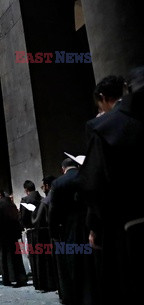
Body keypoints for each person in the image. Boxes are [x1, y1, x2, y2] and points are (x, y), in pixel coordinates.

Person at [78, 66, 144, 304]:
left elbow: (95, 183)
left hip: (127, 226)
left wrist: (93, 225)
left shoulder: (104, 127)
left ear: (103, 99)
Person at [49, 157, 97, 305]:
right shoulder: (87, 176)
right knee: (92, 263)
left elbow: (53, 211)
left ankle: (75, 296)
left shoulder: (58, 183)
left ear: (63, 169)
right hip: (90, 226)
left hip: (69, 229)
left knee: (73, 264)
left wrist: (54, 232)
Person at [0, 190, 27, 287]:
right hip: (13, 235)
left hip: (3, 235)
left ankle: (7, 279)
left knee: (4, 257)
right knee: (16, 258)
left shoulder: (0, 206)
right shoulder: (11, 204)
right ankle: (20, 278)